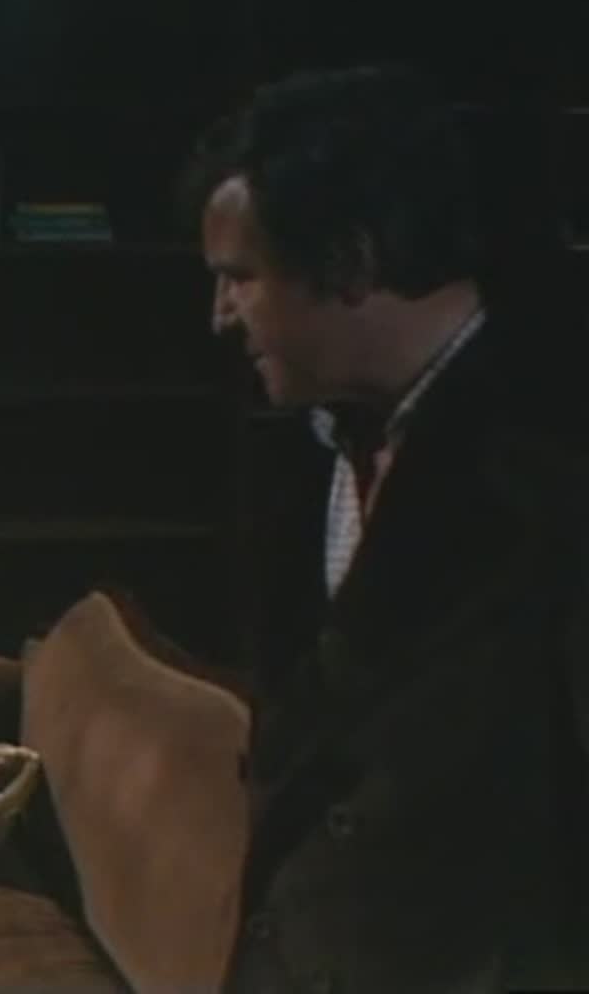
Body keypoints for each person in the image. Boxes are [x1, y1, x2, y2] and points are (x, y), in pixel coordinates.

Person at [183, 65, 589, 992]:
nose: (219, 317)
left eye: (240, 278)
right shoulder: (311, 448)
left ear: (351, 262)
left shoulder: (552, 472)